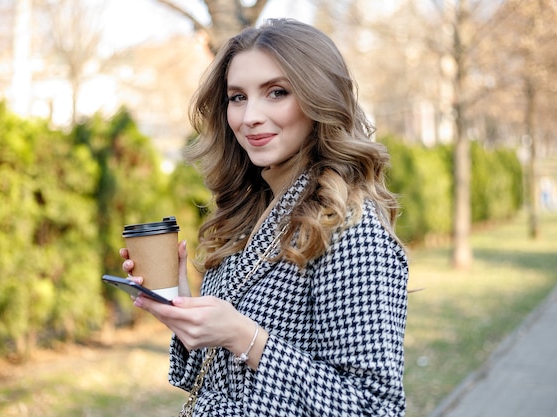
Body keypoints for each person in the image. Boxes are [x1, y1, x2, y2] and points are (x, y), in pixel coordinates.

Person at [120, 18, 409, 416]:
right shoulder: (249, 214)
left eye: (276, 92)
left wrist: (245, 337)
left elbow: (373, 407)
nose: (250, 116)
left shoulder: (349, 230)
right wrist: (187, 313)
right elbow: (222, 382)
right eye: (237, 97)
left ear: (318, 99)